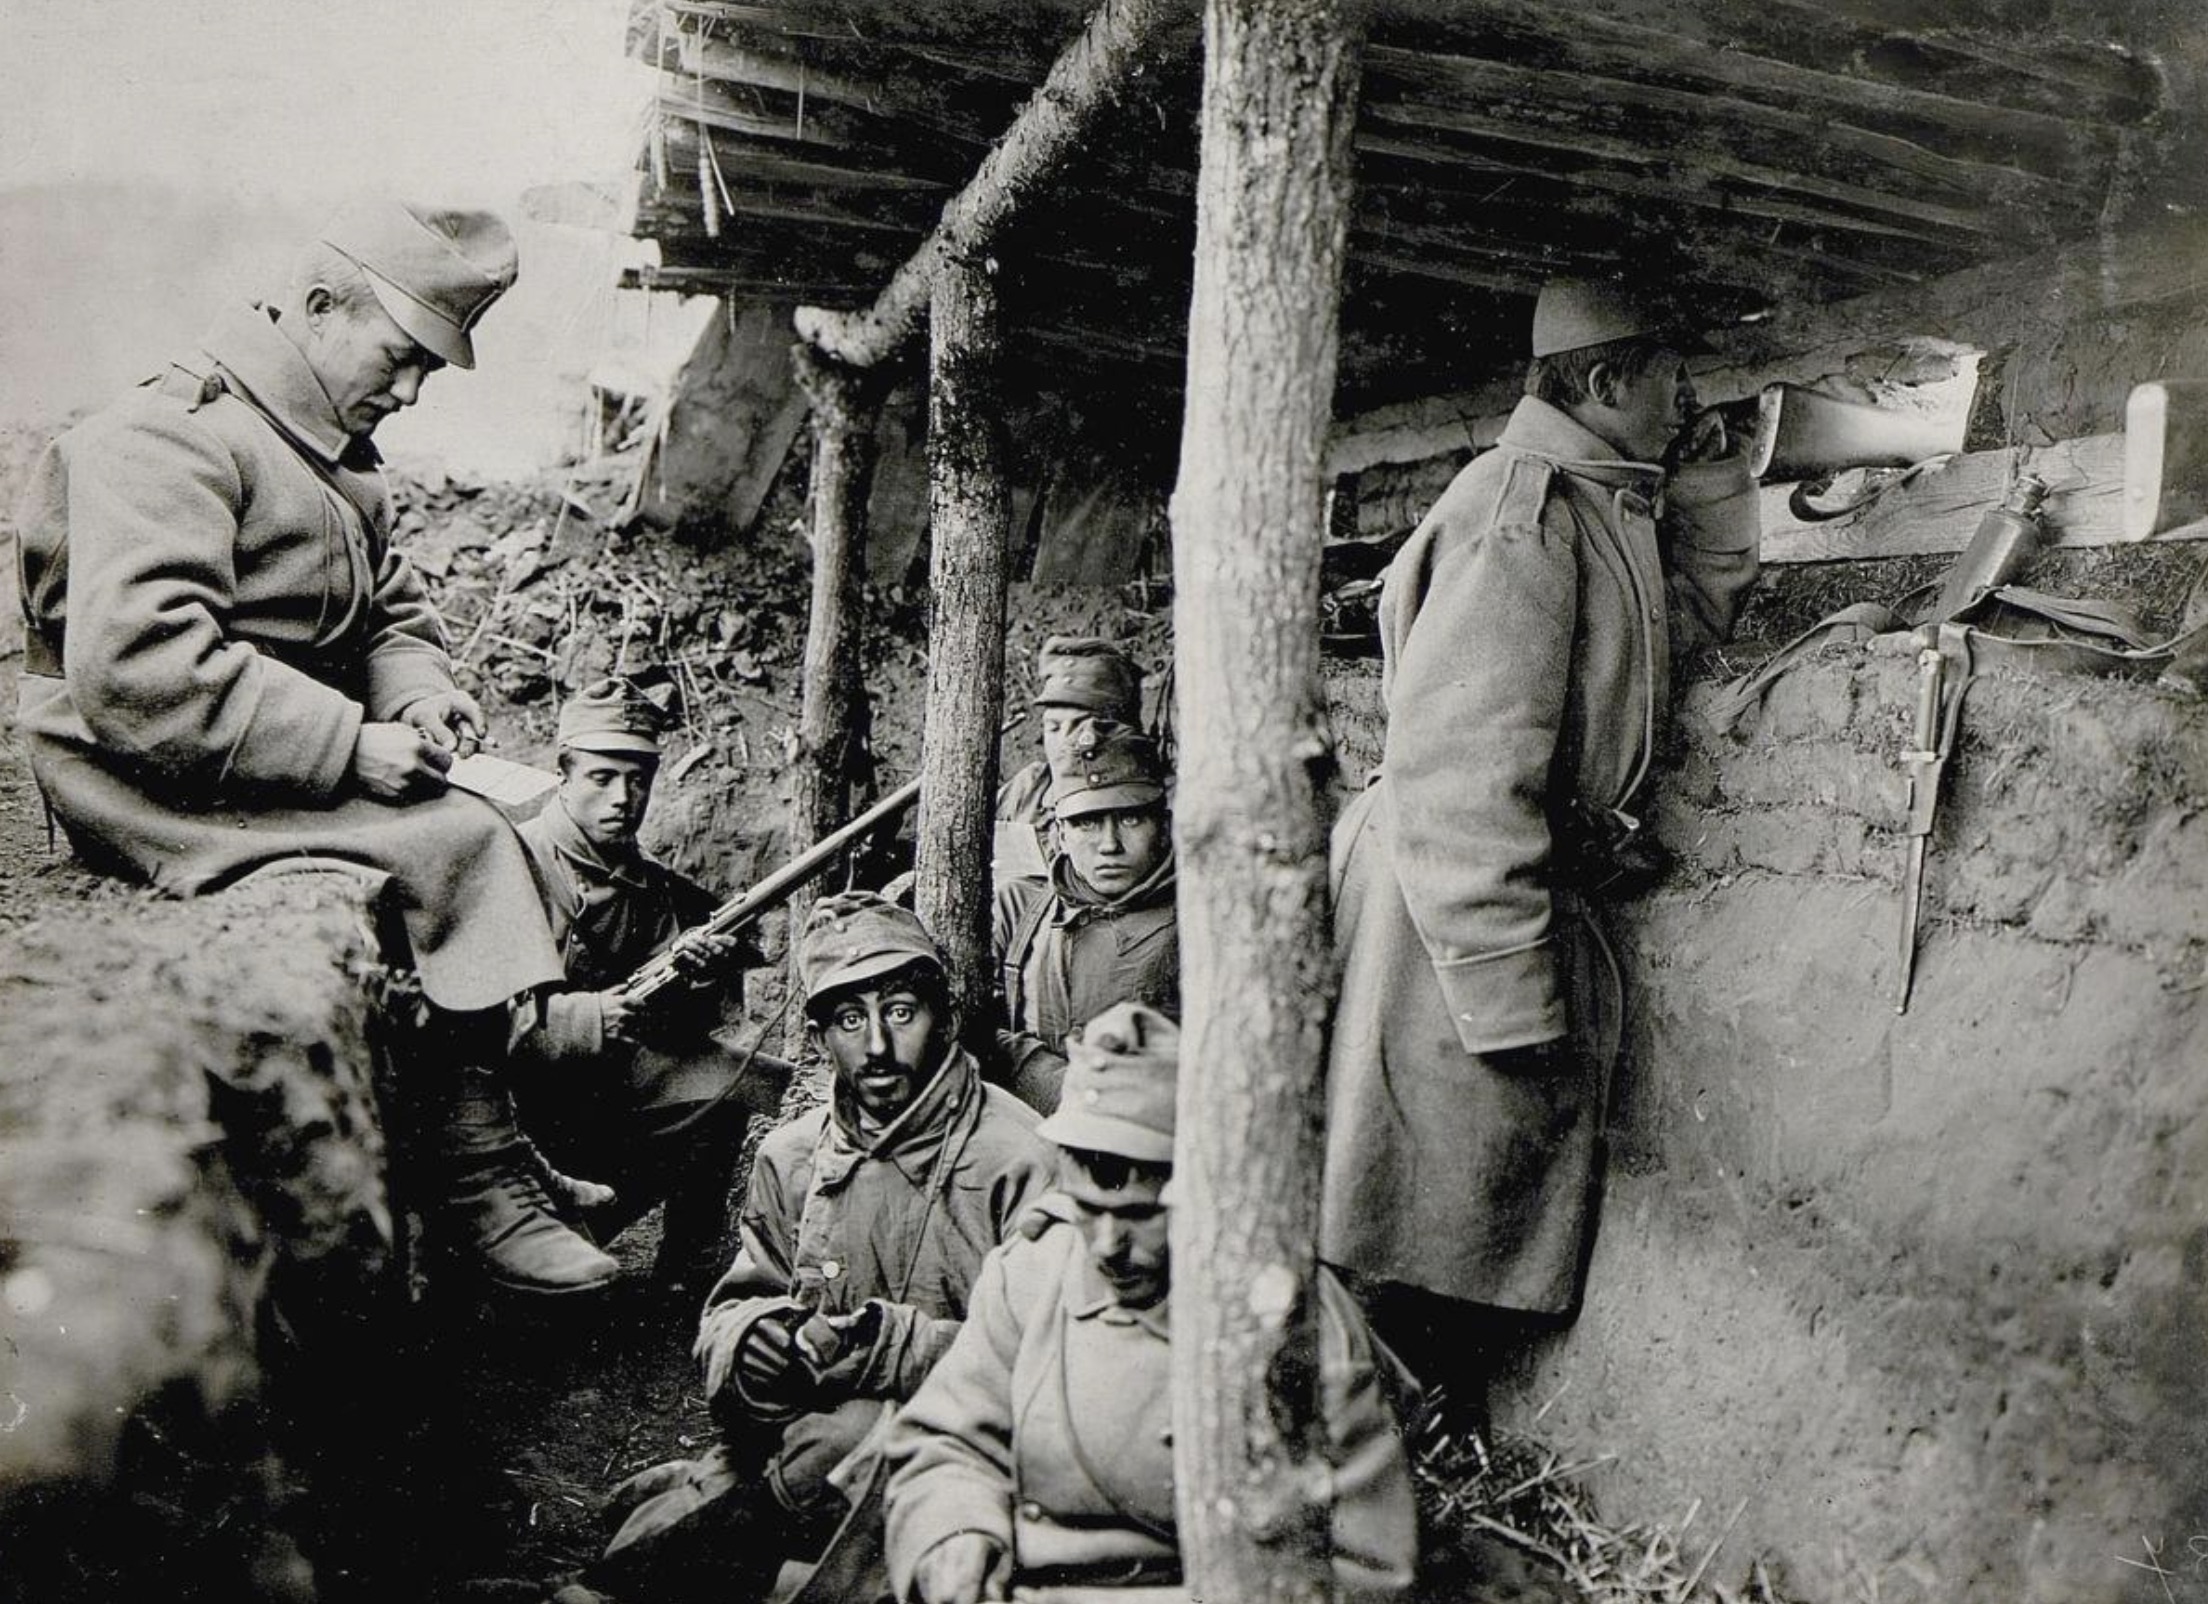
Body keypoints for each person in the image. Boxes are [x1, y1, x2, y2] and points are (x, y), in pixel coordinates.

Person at [12, 197, 615, 1293]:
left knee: (499, 821)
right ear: (319, 306)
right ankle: (476, 1170)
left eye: (432, 369)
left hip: (251, 748)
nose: (412, 389)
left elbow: (392, 617)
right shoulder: (171, 434)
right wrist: (349, 747)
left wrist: (419, 697)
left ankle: (492, 1132)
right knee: (460, 841)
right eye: (400, 356)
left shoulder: (336, 461)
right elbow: (139, 668)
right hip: (150, 767)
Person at [1320, 276, 1761, 1409]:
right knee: (1418, 1192)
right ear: (1608, 382)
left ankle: (1396, 1424)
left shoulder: (1597, 504)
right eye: (1673, 380)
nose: (1689, 396)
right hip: (1454, 895)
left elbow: (1684, 632)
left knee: (1455, 1180)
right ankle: (1351, 1448)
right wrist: (1505, 983)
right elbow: (1464, 770)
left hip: (1497, 878)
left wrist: (1709, 475)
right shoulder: (1523, 517)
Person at [592, 891, 1055, 1603]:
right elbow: (744, 1296)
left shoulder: (1017, 1157)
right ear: (817, 1041)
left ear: (946, 1020)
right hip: (798, 1449)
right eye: (848, 1019)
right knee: (664, 1525)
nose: (875, 1046)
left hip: (965, 1467)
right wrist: (752, 1344)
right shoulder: (794, 1155)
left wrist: (889, 1349)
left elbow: (1051, 1364)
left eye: (901, 1012)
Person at [883, 1003, 1418, 1604]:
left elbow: (1362, 1570)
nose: (1108, 1246)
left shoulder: (1294, 1323)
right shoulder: (1031, 1276)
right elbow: (947, 1441)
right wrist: (954, 1534)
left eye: (1141, 1214)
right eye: (1088, 1207)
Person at [510, 677, 791, 1291]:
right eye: (603, 777)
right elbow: (469, 1020)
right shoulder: (509, 864)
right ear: (563, 772)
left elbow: (672, 1034)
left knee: (728, 1084)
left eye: (639, 778)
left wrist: (695, 977)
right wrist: (583, 1019)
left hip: (597, 1104)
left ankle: (685, 1272)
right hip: (514, 1120)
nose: (624, 797)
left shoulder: (650, 885)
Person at [992, 725, 1178, 1112]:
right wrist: (1039, 1073)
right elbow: (963, 1021)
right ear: (1060, 833)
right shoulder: (1020, 908)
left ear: (1162, 825)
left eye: (1129, 819)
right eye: (1087, 823)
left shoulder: (1197, 924)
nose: (1109, 844)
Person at [994, 635, 1145, 829]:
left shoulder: (1142, 795)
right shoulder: (1029, 788)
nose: (1063, 741)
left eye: (1080, 727)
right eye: (1053, 728)